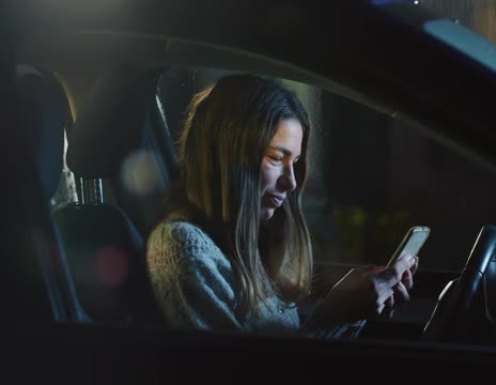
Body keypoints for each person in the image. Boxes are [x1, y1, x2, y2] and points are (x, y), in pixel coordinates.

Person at [146, 74, 418, 338]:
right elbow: (247, 372)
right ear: (229, 158)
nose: (291, 183)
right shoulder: (184, 247)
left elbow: (285, 353)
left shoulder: (246, 245)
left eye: (295, 162)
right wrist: (336, 312)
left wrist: (352, 309)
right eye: (277, 158)